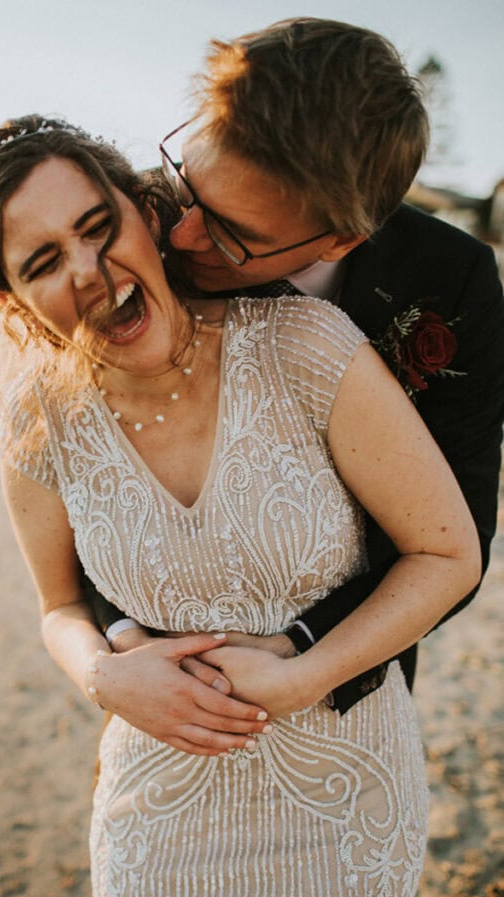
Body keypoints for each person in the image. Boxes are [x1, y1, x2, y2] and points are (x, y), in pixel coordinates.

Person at [0, 114, 479, 897]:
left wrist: (302, 674)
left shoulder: (306, 348)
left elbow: (445, 553)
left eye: (95, 225)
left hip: (342, 805)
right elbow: (58, 607)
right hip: (157, 810)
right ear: (15, 302)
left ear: (146, 214)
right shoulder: (37, 421)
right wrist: (106, 678)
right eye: (40, 263)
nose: (85, 271)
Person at [93, 17, 504, 715]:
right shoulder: (140, 230)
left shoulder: (451, 280)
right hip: (158, 673)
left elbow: (456, 532)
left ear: (341, 239)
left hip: (350, 664)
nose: (182, 233)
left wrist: (302, 654)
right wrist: (123, 643)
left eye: (232, 233)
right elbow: (88, 467)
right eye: (185, 184)